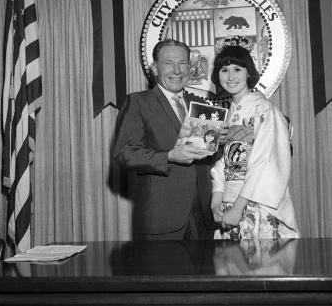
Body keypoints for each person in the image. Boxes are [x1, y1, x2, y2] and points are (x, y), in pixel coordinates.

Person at [114, 39, 215, 240]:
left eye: (183, 63)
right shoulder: (137, 102)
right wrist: (169, 156)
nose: (177, 70)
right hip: (161, 217)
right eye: (168, 63)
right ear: (155, 68)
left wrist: (221, 140)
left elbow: (209, 155)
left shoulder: (201, 104)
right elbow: (124, 154)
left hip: (203, 217)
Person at [209, 45, 299, 240]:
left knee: (258, 263)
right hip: (229, 202)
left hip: (255, 203)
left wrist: (239, 207)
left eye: (237, 69)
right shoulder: (228, 114)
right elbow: (221, 162)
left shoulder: (264, 110)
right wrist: (216, 201)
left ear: (249, 72)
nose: (230, 77)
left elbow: (264, 163)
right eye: (224, 70)